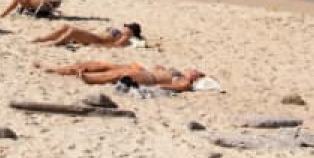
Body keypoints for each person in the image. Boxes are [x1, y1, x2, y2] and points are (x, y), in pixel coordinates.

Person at [43, 62, 205, 91]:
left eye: (196, 73)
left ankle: (88, 79)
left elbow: (172, 87)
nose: (193, 70)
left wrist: (155, 86)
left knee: (117, 74)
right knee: (102, 65)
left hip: (149, 79)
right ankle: (59, 69)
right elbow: (157, 68)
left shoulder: (185, 82)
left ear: (196, 78)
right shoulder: (179, 72)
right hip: (145, 72)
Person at [31, 22, 143, 48]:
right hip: (93, 35)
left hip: (96, 40)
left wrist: (99, 46)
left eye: (127, 27)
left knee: (72, 31)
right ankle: (42, 38)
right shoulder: (122, 32)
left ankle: (56, 43)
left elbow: (115, 45)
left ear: (131, 32)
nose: (125, 27)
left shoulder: (126, 37)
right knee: (66, 26)